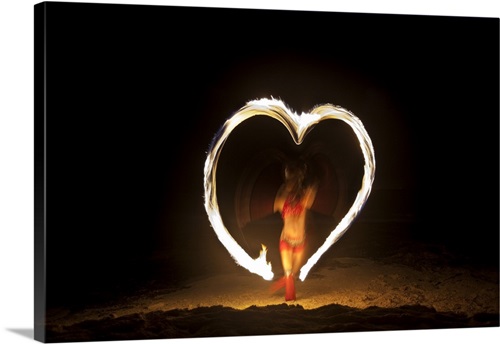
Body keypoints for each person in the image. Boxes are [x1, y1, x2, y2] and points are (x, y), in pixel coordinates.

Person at [270, 158, 318, 301]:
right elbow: (273, 204)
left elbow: (313, 189)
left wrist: (314, 181)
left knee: (293, 274)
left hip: (301, 241)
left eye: (292, 179)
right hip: (285, 239)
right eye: (287, 180)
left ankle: (281, 282)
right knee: (289, 273)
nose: (288, 183)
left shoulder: (305, 195)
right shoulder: (282, 197)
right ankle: (289, 298)